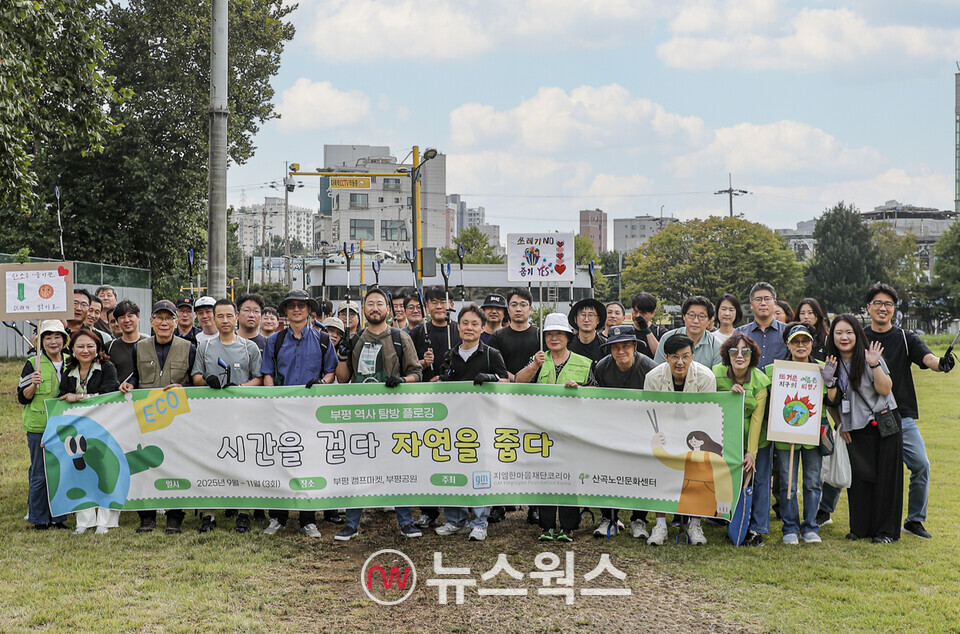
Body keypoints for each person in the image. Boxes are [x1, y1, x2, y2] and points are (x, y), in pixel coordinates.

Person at [819, 283, 954, 538]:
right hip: (855, 418)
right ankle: (824, 510)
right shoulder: (858, 335)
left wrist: (941, 363)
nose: (883, 308)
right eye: (878, 303)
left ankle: (915, 519)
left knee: (919, 465)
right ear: (868, 307)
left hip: (896, 414)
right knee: (852, 465)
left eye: (888, 304)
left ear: (894, 309)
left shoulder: (904, 337)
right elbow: (835, 388)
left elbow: (927, 358)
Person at [334, 288, 423, 541]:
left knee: (398, 466)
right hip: (361, 415)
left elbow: (417, 373)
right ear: (363, 309)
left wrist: (402, 380)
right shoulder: (356, 340)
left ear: (388, 309)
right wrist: (342, 354)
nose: (375, 308)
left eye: (379, 304)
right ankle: (351, 523)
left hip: (394, 415)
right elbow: (342, 379)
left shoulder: (400, 338)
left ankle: (406, 521)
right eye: (370, 304)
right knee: (357, 468)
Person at [261, 290, 339, 538]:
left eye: (301, 305)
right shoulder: (275, 340)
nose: (297, 309)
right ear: (285, 310)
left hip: (311, 413)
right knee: (278, 462)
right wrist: (273, 400)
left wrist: (322, 385)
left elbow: (330, 372)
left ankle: (308, 519)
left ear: (309, 310)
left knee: (309, 463)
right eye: (292, 305)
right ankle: (277, 518)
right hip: (281, 412)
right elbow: (268, 374)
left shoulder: (323, 339)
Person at [821, 314, 900, 543]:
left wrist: (875, 364)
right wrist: (840, 423)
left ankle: (886, 532)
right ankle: (860, 528)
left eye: (848, 332)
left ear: (857, 334)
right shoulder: (832, 363)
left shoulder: (870, 357)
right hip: (854, 427)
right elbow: (831, 401)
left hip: (883, 422)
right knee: (860, 479)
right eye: (838, 333)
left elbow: (885, 389)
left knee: (886, 478)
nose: (844, 337)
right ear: (832, 336)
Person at [119, 300, 196, 534]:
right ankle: (147, 516)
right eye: (159, 318)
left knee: (177, 465)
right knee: (146, 465)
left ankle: (175, 516)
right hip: (147, 417)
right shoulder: (139, 347)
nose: (164, 323)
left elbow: (194, 380)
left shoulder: (189, 347)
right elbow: (136, 376)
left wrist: (184, 386)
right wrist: (128, 384)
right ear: (151, 322)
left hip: (177, 417)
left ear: (176, 322)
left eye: (168, 318)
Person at [433, 304, 508, 542]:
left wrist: (491, 378)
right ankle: (455, 520)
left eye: (475, 324)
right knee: (453, 469)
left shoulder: (490, 354)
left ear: (482, 328)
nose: (469, 328)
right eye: (465, 323)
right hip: (453, 424)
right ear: (458, 326)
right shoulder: (449, 354)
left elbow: (507, 382)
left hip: (482, 424)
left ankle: (480, 521)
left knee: (480, 472)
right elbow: (439, 384)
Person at [516, 313, 592, 542]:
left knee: (569, 476)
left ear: (568, 336)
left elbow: (596, 394)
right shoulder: (538, 358)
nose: (554, 337)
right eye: (549, 334)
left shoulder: (584, 362)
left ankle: (568, 526)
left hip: (571, 430)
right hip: (542, 429)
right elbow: (519, 382)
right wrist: (535, 365)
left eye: (559, 333)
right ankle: (546, 526)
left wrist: (579, 388)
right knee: (545, 476)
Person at [191, 299, 263, 534]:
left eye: (229, 316)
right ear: (213, 318)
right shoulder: (205, 346)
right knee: (210, 462)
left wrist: (241, 387)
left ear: (236, 317)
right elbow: (196, 377)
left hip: (242, 415)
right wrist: (206, 380)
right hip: (211, 416)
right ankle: (208, 514)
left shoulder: (248, 347)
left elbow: (258, 378)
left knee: (241, 462)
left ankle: (243, 513)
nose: (224, 320)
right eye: (219, 316)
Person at [644, 335, 718, 545]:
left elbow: (706, 414)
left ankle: (695, 524)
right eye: (675, 357)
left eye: (686, 356)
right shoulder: (653, 377)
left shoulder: (706, 377)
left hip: (695, 432)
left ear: (692, 356)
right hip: (664, 432)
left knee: (698, 476)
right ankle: (660, 525)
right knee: (660, 473)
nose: (680, 362)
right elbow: (650, 412)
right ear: (665, 357)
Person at [585, 324, 657, 539]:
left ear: (635, 346)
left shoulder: (651, 369)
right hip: (611, 427)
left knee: (643, 471)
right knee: (606, 469)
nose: (621, 351)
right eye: (615, 347)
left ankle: (639, 519)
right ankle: (609, 517)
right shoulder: (602, 367)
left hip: (643, 428)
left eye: (626, 346)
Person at [57, 328, 121, 534]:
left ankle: (105, 520)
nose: (85, 350)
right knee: (80, 472)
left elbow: (108, 395)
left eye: (90, 346)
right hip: (77, 431)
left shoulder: (107, 367)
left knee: (104, 472)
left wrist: (79, 398)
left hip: (104, 427)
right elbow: (61, 399)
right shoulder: (68, 372)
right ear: (72, 349)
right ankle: (83, 521)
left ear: (98, 348)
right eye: (80, 346)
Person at [768, 323, 825, 544]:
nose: (801, 345)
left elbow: (831, 398)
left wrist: (828, 378)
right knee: (787, 483)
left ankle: (810, 527)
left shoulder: (821, 368)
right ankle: (789, 527)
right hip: (786, 435)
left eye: (805, 341)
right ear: (788, 344)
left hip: (813, 435)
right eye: (795, 341)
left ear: (812, 343)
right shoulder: (776, 370)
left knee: (812, 481)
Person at [714, 333, 771, 547]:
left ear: (752, 355)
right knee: (728, 482)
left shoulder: (759, 380)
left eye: (745, 351)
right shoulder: (716, 374)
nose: (739, 355)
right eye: (734, 351)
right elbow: (710, 404)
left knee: (760, 482)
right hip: (725, 440)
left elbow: (757, 419)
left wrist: (751, 453)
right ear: (727, 355)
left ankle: (756, 529)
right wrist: (728, 396)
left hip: (755, 441)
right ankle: (729, 521)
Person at [18, 320, 71, 530]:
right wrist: (33, 384)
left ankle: (58, 517)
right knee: (40, 473)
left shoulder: (71, 360)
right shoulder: (33, 362)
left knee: (61, 471)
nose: (53, 341)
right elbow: (22, 397)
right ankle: (39, 518)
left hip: (64, 426)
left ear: (64, 339)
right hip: (39, 427)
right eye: (47, 337)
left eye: (57, 336)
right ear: (41, 341)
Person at [651, 430, 732, 544]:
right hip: (685, 486)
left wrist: (724, 498)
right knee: (664, 480)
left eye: (697, 439)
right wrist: (657, 448)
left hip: (704, 489)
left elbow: (724, 474)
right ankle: (660, 525)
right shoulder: (688, 454)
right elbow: (670, 461)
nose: (694, 441)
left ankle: (695, 526)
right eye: (692, 439)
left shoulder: (713, 456)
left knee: (699, 497)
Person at [409, 285, 461, 383]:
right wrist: (424, 363)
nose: (439, 306)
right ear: (427, 307)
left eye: (443, 302)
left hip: (456, 391)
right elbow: (407, 367)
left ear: (452, 305)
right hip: (425, 392)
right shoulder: (417, 332)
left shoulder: (461, 330)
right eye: (434, 302)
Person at [654, 296, 723, 368]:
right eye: (691, 315)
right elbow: (658, 370)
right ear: (684, 316)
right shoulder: (667, 338)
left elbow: (716, 377)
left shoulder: (716, 346)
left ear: (709, 320)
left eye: (701, 316)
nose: (696, 321)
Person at [488, 288, 540, 382]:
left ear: (530, 309)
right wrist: (516, 380)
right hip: (506, 391)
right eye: (514, 305)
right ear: (508, 309)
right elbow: (493, 365)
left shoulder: (540, 335)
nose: (518, 309)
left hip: (536, 391)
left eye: (523, 305)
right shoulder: (496, 337)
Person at [735, 282, 789, 369]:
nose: (763, 303)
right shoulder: (740, 333)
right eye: (758, 299)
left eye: (767, 299)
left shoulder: (787, 331)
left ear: (775, 303)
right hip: (749, 382)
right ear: (751, 305)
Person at [106, 299, 147, 383]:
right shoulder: (109, 347)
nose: (127, 320)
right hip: (118, 394)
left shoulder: (149, 344)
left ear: (138, 317)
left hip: (145, 394)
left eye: (130, 315)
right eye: (122, 317)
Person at [567, 297, 607, 362]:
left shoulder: (605, 346)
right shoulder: (568, 344)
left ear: (598, 320)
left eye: (591, 315)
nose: (586, 319)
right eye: (582, 315)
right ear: (575, 319)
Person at [631, 292, 668, 358]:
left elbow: (660, 356)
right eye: (635, 311)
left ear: (653, 313)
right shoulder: (627, 331)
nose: (638, 316)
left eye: (643, 313)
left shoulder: (660, 332)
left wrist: (646, 330)